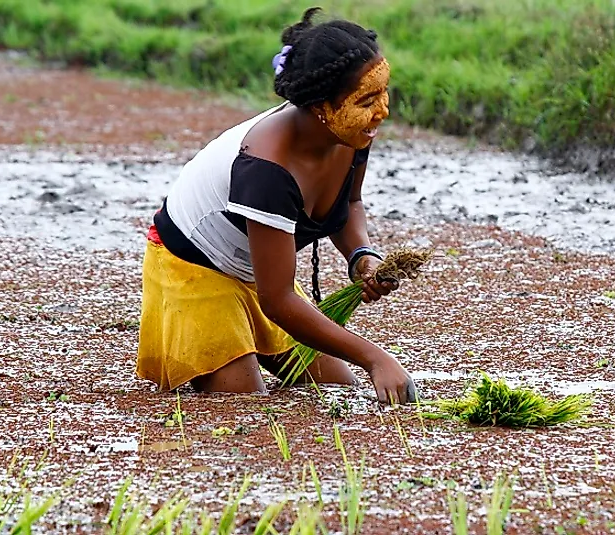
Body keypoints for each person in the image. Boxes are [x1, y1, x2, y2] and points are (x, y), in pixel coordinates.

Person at [136, 7, 418, 404]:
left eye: (384, 92)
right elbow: (278, 298)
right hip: (195, 270)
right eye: (367, 99)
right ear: (321, 106)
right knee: (245, 404)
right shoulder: (266, 168)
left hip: (260, 267)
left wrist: (361, 256)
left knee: (337, 387)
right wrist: (374, 358)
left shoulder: (349, 132)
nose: (382, 110)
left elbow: (348, 202)